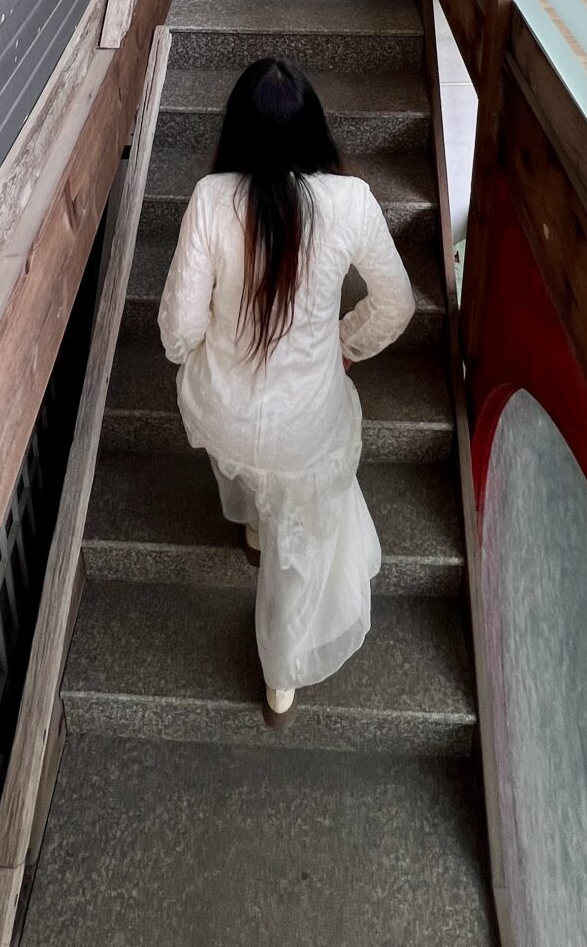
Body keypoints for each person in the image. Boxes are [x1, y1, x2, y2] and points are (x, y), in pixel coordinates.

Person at [158, 57, 416, 728]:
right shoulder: (350, 202)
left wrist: (198, 361)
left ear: (237, 132)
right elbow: (397, 305)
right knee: (295, 557)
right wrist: (345, 346)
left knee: (237, 437)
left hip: (225, 410)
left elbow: (178, 327)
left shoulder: (210, 199)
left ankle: (249, 522)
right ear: (314, 130)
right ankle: (280, 684)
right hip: (307, 429)